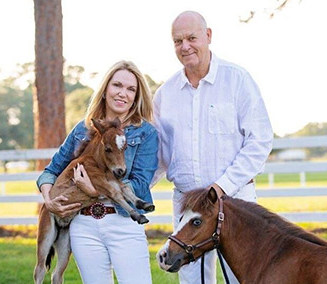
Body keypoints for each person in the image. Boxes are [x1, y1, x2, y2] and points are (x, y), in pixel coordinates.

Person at [153, 11, 273, 284]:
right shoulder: (165, 94)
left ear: (208, 36)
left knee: (242, 278)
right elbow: (159, 158)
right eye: (177, 41)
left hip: (236, 203)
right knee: (193, 281)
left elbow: (260, 140)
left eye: (191, 38)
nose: (185, 46)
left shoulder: (237, 80)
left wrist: (221, 187)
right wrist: (128, 193)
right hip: (187, 208)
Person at [37, 60, 158, 284]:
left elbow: (140, 184)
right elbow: (50, 171)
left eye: (131, 89)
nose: (123, 94)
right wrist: (48, 200)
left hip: (123, 224)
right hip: (84, 225)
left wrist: (95, 190)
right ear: (105, 90)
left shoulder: (145, 133)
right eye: (117, 85)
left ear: (137, 96)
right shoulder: (83, 129)